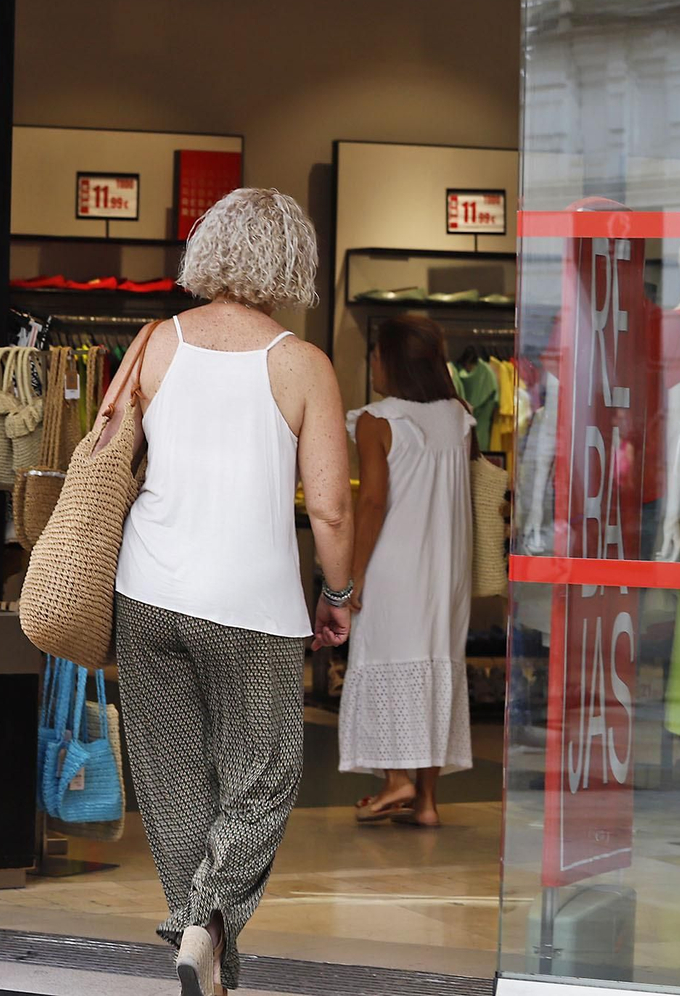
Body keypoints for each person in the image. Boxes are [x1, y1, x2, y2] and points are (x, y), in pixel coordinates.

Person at [109, 188, 355, 996]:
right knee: (266, 772)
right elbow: (329, 504)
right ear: (291, 262)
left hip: (147, 589)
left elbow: (112, 455)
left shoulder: (155, 344)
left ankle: (204, 954)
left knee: (175, 781)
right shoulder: (303, 364)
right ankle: (208, 927)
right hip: (252, 604)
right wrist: (340, 592)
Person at [339, 314, 474, 827]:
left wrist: (353, 574)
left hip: (398, 561)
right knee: (437, 662)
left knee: (387, 659)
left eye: (375, 354)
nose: (371, 363)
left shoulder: (378, 420)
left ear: (391, 360)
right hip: (448, 567)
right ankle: (427, 802)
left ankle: (396, 780)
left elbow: (372, 502)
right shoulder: (460, 415)